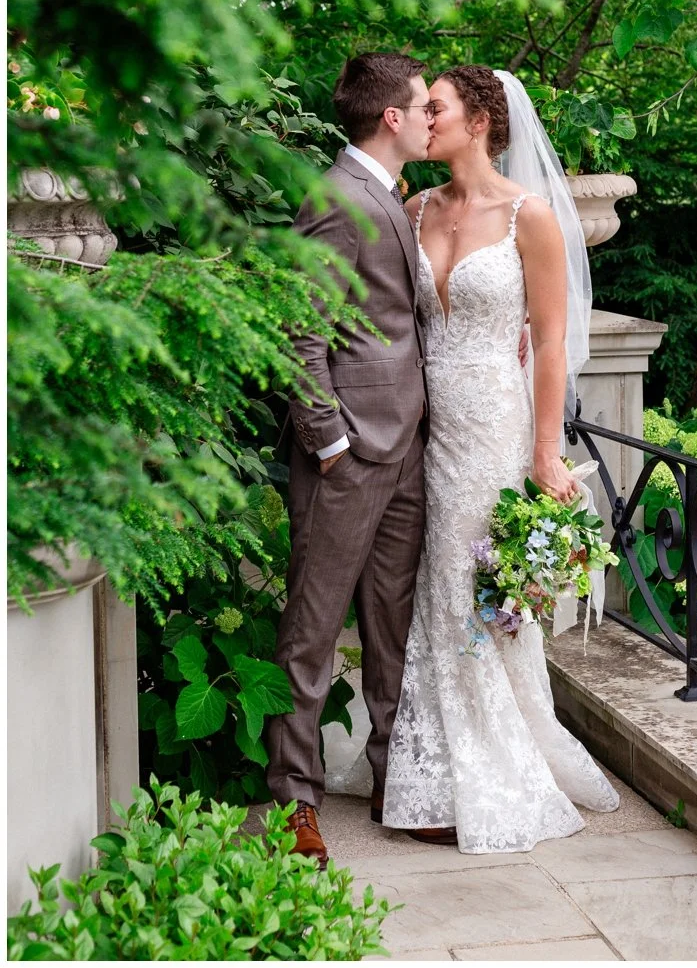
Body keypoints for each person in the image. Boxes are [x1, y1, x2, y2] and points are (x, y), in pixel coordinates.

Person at [380, 64, 619, 853]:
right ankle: (434, 761)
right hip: (423, 426)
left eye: (436, 106)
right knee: (434, 581)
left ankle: (485, 767)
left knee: (475, 581)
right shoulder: (412, 209)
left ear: (479, 118)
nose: (424, 118)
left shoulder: (532, 218)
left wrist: (546, 453)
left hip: (492, 423)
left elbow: (550, 341)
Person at [266, 51, 435, 866]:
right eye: (421, 103)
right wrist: (327, 439)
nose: (432, 114)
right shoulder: (336, 197)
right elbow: (300, 327)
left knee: (392, 625)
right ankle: (293, 803)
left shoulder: (394, 196)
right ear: (392, 118)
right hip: (348, 452)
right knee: (313, 629)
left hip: (405, 448)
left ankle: (392, 783)